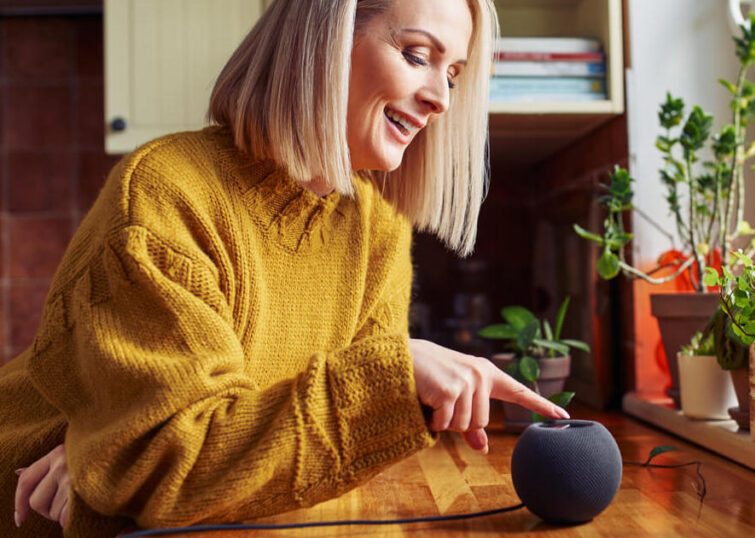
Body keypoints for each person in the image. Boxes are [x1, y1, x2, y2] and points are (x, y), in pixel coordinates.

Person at [0, 0, 569, 535]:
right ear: (323, 42)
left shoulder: (377, 230)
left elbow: (286, 457)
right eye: (418, 56)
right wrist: (130, 459)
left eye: (452, 75)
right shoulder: (165, 191)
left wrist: (114, 460)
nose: (441, 99)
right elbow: (172, 466)